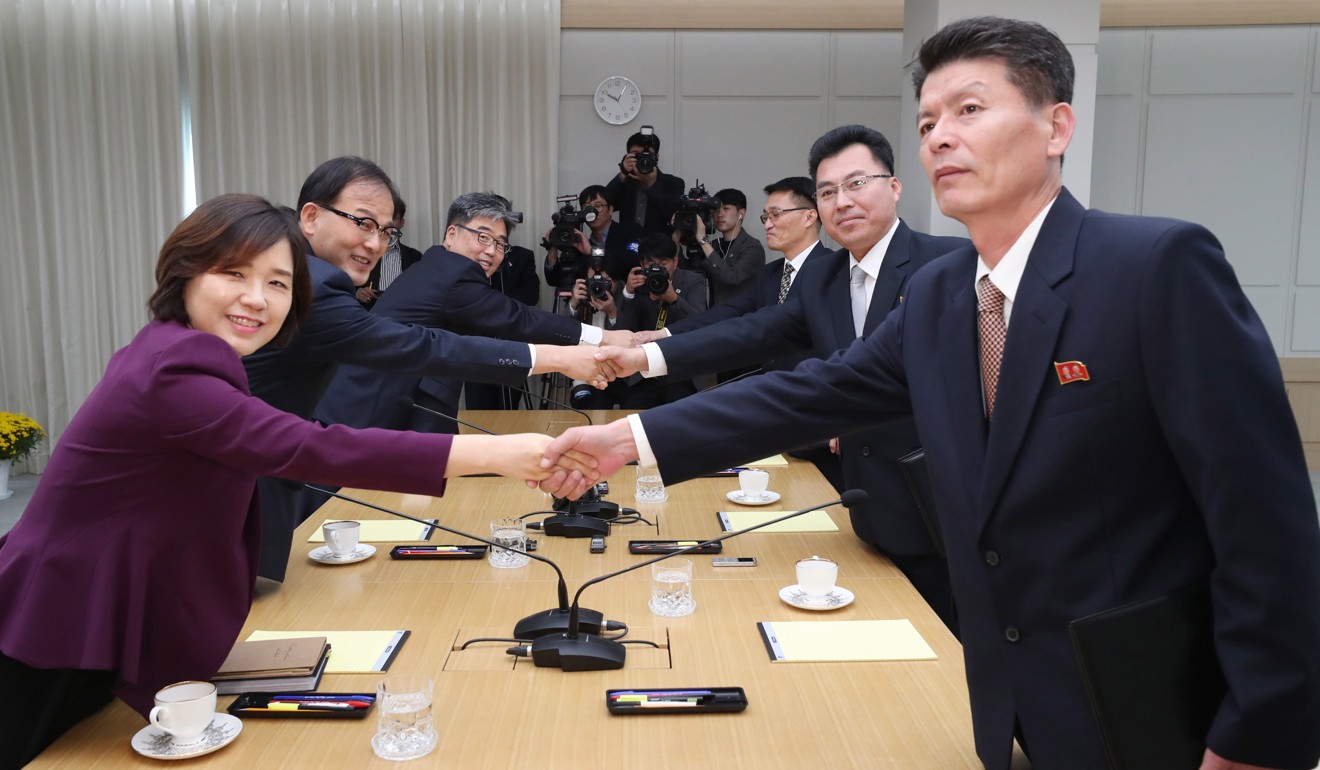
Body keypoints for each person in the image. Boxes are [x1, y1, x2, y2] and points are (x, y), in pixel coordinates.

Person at [541, 17, 1320, 770]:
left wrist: (1264, 727)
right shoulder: (945, 292)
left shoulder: (1155, 267)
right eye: (928, 121)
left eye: (970, 110)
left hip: (1146, 698)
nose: (941, 135)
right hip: (1009, 702)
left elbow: (1263, 516)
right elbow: (812, 392)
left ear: (1056, 128)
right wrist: (627, 441)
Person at [0, 195, 586, 768]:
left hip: (105, 596)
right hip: (65, 606)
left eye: (278, 284)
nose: (256, 299)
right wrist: (503, 452)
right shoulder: (175, 369)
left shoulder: (183, 350)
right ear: (183, 273)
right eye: (234, 274)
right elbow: (310, 447)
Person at [602, 127, 969, 632]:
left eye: (857, 183)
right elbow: (750, 332)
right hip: (866, 507)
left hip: (946, 513)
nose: (843, 201)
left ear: (896, 186)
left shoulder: (948, 265)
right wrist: (645, 355)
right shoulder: (824, 278)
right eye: (828, 191)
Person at [243, 157, 613, 582]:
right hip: (257, 475)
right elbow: (421, 347)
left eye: (386, 231)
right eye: (363, 223)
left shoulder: (310, 277)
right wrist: (565, 357)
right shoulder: (318, 285)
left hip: (295, 448)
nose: (375, 244)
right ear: (310, 217)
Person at [315, 191, 636, 437]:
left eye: (500, 243)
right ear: (451, 235)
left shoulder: (437, 265)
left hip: (406, 399)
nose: (491, 251)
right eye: (482, 237)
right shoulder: (453, 273)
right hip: (372, 407)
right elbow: (517, 320)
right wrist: (603, 336)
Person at [614, 233, 708, 408]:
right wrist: (628, 293)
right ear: (642, 264)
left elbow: (700, 324)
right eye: (651, 265)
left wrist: (674, 299)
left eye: (663, 264)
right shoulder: (638, 285)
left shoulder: (693, 282)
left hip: (681, 371)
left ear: (675, 261)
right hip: (643, 373)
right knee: (632, 417)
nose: (658, 269)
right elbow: (623, 330)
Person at [543, 185, 642, 291]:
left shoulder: (629, 231)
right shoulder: (577, 242)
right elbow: (554, 280)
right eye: (587, 208)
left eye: (598, 206)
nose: (592, 212)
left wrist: (592, 251)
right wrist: (552, 250)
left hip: (624, 300)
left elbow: (632, 263)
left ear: (610, 210)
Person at [688, 188, 766, 308]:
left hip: (742, 318)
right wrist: (676, 237)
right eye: (716, 210)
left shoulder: (752, 247)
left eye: (726, 209)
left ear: (741, 213)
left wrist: (703, 240)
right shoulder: (714, 245)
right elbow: (689, 272)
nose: (719, 214)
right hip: (715, 316)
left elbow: (732, 277)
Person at [604, 129, 685, 237]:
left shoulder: (674, 182)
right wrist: (623, 173)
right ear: (627, 156)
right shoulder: (624, 183)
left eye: (647, 154)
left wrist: (651, 184)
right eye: (636, 155)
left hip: (660, 247)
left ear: (657, 157)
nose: (643, 159)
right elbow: (605, 202)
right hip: (627, 246)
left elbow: (675, 213)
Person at [356, 201, 422, 307]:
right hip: (368, 313)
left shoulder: (414, 257)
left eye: (393, 218)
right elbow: (344, 284)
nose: (388, 222)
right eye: (385, 216)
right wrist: (358, 293)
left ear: (401, 222)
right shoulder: (364, 251)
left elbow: (421, 290)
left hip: (403, 315)